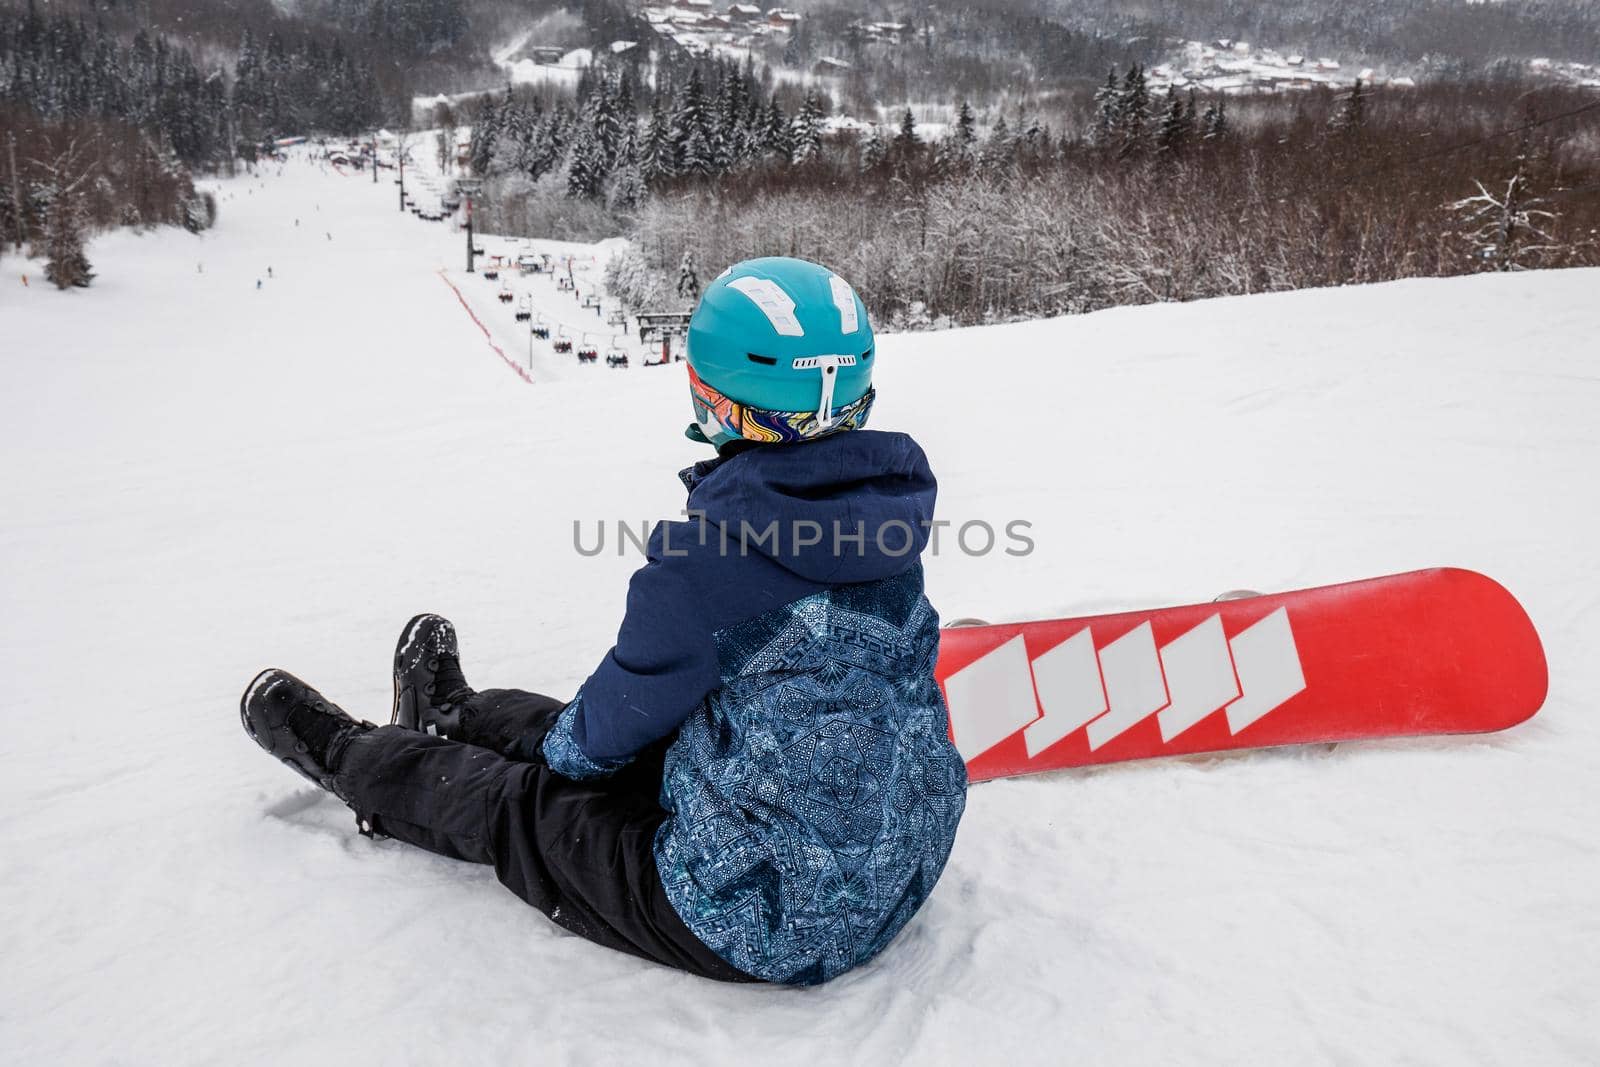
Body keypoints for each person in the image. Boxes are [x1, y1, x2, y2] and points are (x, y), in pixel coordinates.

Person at [239, 256, 967, 985]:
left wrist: (557, 767)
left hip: (766, 919)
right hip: (899, 865)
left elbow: (607, 727)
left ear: (713, 401)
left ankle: (351, 759)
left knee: (526, 804)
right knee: (636, 743)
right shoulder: (883, 522)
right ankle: (453, 712)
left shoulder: (708, 564)